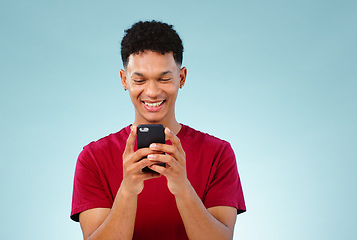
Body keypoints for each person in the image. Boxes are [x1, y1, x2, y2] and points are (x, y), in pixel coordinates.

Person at [71, 20, 246, 240]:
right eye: (139, 80)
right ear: (124, 80)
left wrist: (182, 187)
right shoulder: (93, 158)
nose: (152, 92)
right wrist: (127, 190)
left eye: (164, 79)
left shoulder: (218, 153)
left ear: (181, 78)